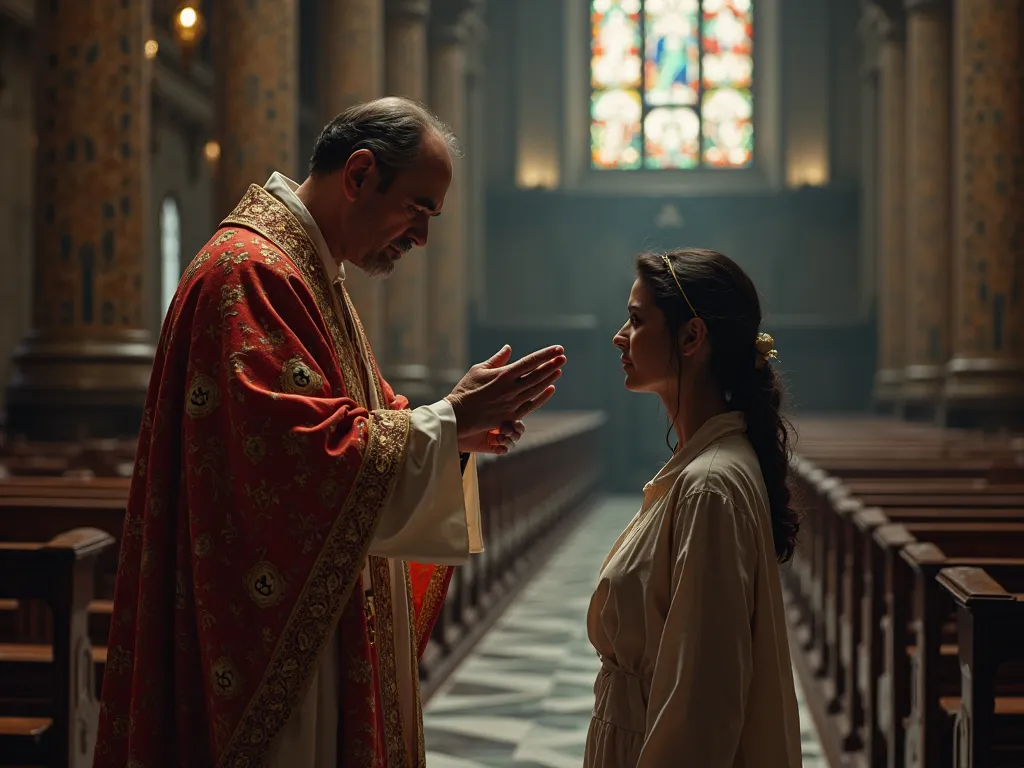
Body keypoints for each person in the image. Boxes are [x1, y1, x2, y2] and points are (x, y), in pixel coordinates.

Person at [93, 97, 566, 768]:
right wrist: (448, 420)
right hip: (262, 641)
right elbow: (297, 457)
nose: (422, 238)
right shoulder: (251, 272)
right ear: (360, 174)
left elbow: (353, 418)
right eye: (419, 209)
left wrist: (450, 436)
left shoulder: (308, 273)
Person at [585, 248, 802, 767]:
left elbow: (702, 705)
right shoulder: (706, 466)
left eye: (637, 320)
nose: (620, 335)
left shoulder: (709, 487)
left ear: (691, 337)